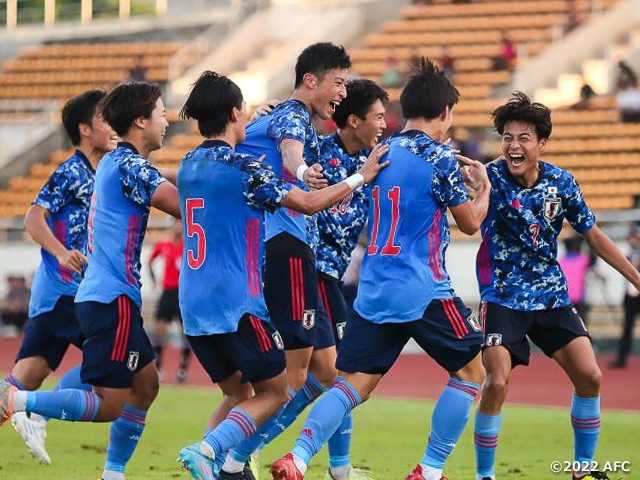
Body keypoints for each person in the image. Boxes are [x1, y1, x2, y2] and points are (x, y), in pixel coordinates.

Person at [270, 57, 491, 480]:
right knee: (470, 372)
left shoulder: (380, 154)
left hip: (373, 287)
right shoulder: (440, 157)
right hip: (423, 286)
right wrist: (483, 190)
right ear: (445, 113)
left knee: (353, 383)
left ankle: (296, 458)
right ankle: (428, 471)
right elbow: (469, 223)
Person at [173, 70, 388, 480]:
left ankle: (227, 465)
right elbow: (306, 200)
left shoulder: (188, 163)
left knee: (243, 392)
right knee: (279, 388)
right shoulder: (246, 167)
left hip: (195, 300)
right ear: (236, 113)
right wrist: (359, 177)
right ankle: (214, 452)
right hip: (245, 295)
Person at [0, 81, 181, 480]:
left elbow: (163, 176)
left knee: (145, 384)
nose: (168, 120)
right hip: (86, 292)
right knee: (108, 401)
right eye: (162, 113)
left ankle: (109, 472)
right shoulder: (112, 165)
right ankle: (17, 401)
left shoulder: (113, 164)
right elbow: (34, 216)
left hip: (99, 292)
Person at [472, 92, 640, 480]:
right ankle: (484, 475)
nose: (513, 146)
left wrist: (635, 278)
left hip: (551, 297)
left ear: (541, 143)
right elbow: (467, 214)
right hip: (502, 297)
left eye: (523, 138)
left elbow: (594, 236)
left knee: (591, 377)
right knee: (496, 382)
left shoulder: (562, 182)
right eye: (507, 137)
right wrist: (475, 182)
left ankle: (582, 469)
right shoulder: (489, 177)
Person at [214, 43, 351, 477]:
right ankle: (224, 455)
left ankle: (230, 455)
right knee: (290, 379)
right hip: (284, 249)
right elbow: (292, 152)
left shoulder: (270, 117)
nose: (342, 92)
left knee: (320, 370)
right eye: (339, 82)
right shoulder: (292, 116)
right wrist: (303, 172)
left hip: (261, 251)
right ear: (310, 80)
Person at [2, 90, 117, 465]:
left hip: (53, 297)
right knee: (121, 361)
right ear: (85, 129)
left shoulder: (101, 170)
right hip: (67, 293)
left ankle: (32, 407)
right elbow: (34, 216)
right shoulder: (72, 171)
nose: (113, 124)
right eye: (104, 117)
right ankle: (39, 412)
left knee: (23, 380)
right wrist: (61, 252)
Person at [148, 220, 191, 383]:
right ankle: (158, 366)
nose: (178, 227)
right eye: (176, 223)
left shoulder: (188, 245)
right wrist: (153, 279)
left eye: (181, 224)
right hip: (167, 291)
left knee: (185, 332)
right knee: (159, 329)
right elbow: (150, 260)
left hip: (182, 293)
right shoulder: (164, 244)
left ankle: (182, 369)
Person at [609, 230, 640, 369]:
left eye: (634, 238)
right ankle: (621, 358)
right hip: (630, 297)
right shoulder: (628, 254)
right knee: (627, 328)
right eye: (630, 238)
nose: (632, 241)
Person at [558, 235, 597, 324]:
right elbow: (594, 256)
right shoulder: (583, 260)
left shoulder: (561, 261)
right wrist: (589, 238)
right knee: (580, 325)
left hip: (564, 299)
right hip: (578, 299)